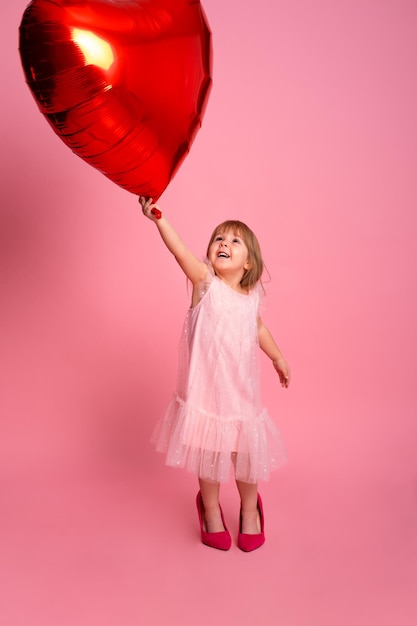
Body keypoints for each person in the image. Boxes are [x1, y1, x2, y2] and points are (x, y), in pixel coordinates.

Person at [139, 196, 291, 551]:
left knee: (245, 458)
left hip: (241, 394)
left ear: (249, 261)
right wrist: (159, 220)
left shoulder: (251, 296)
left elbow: (259, 330)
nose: (223, 243)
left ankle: (250, 510)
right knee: (209, 456)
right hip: (206, 394)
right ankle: (209, 509)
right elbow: (180, 253)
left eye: (234, 241)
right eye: (219, 238)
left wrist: (278, 358)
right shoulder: (205, 283)